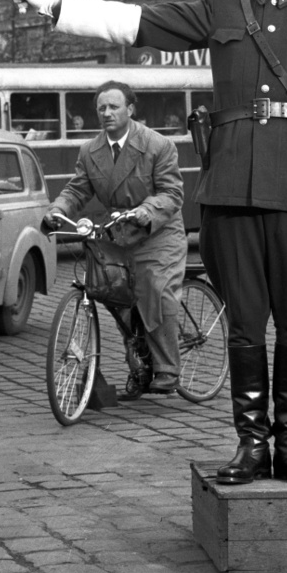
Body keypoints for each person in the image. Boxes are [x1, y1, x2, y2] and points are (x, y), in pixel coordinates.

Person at [7, 0, 287, 486]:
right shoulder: (224, 6)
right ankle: (252, 446)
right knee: (247, 327)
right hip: (230, 196)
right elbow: (140, 24)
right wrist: (54, 6)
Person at [42, 80, 188, 398]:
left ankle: (167, 368)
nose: (107, 113)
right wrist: (58, 208)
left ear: (130, 109)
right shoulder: (91, 151)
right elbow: (77, 189)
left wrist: (147, 210)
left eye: (114, 107)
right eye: (102, 108)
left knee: (154, 286)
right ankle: (139, 365)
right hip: (120, 233)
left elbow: (172, 193)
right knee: (115, 294)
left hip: (158, 234)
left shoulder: (157, 145)